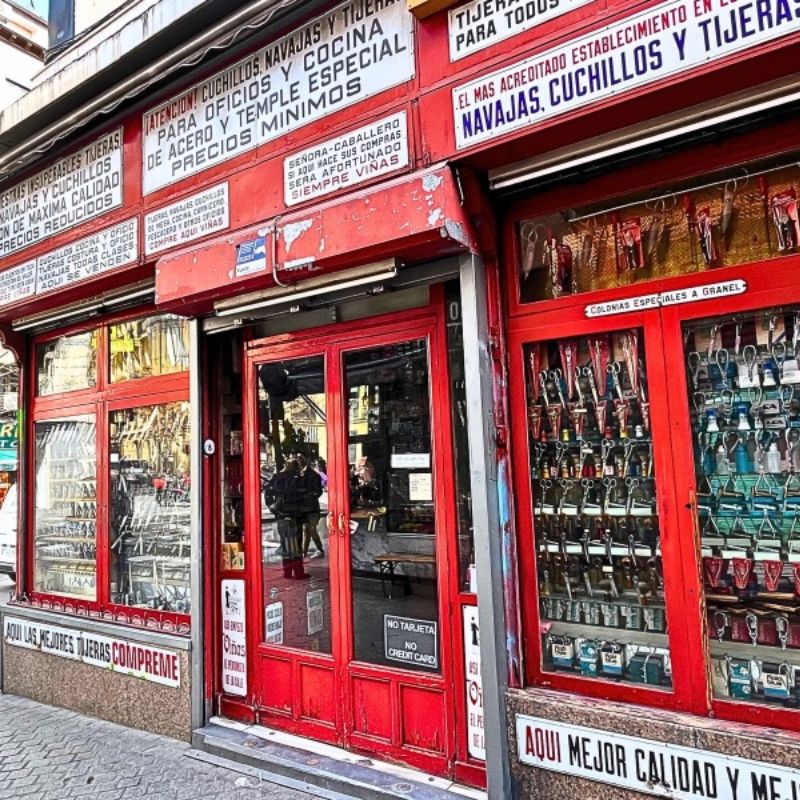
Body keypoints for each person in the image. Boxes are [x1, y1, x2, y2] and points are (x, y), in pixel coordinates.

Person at [265, 458, 307, 579]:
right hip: (292, 515)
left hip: (281, 516)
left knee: (285, 544)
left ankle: (287, 572)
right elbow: (301, 496)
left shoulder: (277, 478)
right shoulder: (296, 479)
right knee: (295, 546)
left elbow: (267, 492)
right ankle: (298, 572)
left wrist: (272, 507)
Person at [298, 455, 324, 559]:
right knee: (307, 529)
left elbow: (318, 491)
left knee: (310, 529)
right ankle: (306, 551)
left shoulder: (313, 475)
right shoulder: (298, 474)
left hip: (312, 507)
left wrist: (309, 496)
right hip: (304, 508)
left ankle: (316, 550)